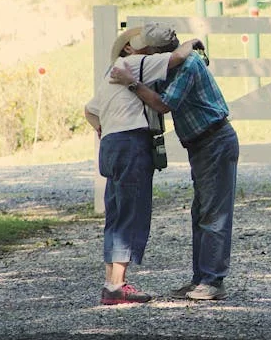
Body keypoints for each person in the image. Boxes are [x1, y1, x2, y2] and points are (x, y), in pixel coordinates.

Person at [110, 36, 239, 301]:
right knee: (201, 212)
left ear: (160, 51)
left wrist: (131, 83)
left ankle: (213, 282)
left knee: (213, 214)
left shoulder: (187, 65)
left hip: (214, 140)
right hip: (202, 144)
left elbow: (163, 104)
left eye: (149, 51)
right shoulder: (169, 66)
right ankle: (200, 279)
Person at [84, 23, 203, 305]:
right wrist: (194, 41)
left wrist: (102, 127)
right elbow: (177, 57)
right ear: (130, 48)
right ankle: (118, 285)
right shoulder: (136, 64)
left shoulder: (110, 74)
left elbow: (89, 111)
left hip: (111, 144)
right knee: (132, 212)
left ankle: (110, 282)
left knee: (115, 213)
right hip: (131, 141)